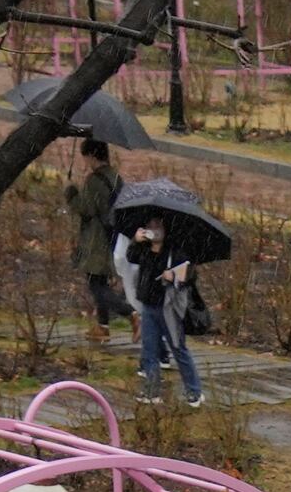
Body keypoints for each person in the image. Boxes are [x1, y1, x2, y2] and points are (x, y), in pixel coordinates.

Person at [117, 212, 202, 406]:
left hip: (168, 308)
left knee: (178, 348)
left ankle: (194, 391)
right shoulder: (144, 249)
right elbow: (131, 257)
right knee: (149, 350)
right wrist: (136, 240)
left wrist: (172, 276)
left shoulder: (175, 252)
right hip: (149, 306)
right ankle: (152, 390)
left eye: (158, 227)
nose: (154, 232)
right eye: (150, 227)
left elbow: (190, 274)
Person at [69, 139, 126, 339]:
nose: (84, 161)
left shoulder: (94, 180)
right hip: (112, 235)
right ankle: (103, 326)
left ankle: (131, 314)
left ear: (92, 156)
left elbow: (87, 210)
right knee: (100, 280)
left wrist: (72, 195)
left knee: (96, 284)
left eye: (84, 156)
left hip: (96, 238)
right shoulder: (116, 177)